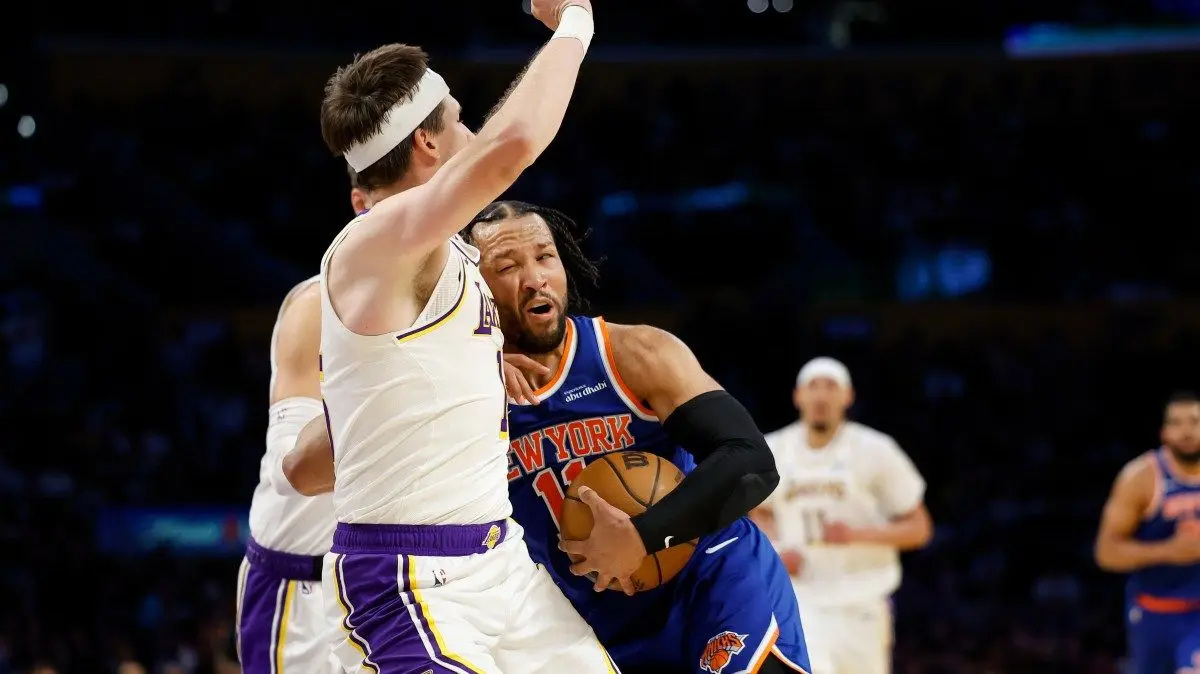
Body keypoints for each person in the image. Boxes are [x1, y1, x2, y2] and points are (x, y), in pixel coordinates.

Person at [301, 1, 619, 671]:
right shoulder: (373, 244)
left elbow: (308, 466)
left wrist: (464, 379)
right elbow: (515, 145)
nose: (474, 131)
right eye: (461, 121)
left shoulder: (445, 256)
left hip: (502, 566)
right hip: (411, 580)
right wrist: (575, 23)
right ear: (428, 143)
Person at [461, 201, 812, 674]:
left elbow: (750, 461)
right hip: (592, 625)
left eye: (545, 257)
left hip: (708, 582)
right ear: (471, 288)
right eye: (507, 267)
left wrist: (643, 536)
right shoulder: (463, 395)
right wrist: (467, 359)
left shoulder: (631, 353)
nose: (535, 278)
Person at [235, 176, 367, 674]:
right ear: (362, 203)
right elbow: (300, 471)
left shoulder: (465, 300)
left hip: (404, 575)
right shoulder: (317, 306)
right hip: (303, 584)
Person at [751, 358, 933, 674]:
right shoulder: (773, 449)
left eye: (831, 387)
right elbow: (759, 515)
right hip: (802, 599)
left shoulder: (876, 449)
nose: (821, 396)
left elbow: (920, 528)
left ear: (847, 397)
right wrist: (778, 549)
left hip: (862, 601)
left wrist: (857, 535)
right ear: (798, 396)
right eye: (813, 386)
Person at [1096, 391, 1200, 673]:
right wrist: (1170, 551)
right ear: (1164, 433)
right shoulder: (1141, 477)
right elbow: (1106, 553)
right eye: (1176, 423)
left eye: (1194, 421)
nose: (1186, 431)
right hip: (1152, 610)